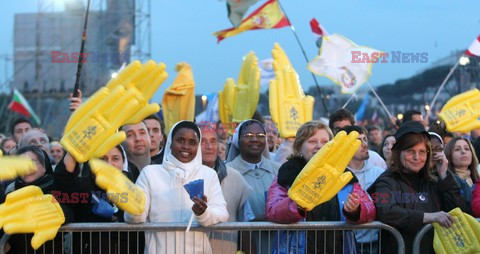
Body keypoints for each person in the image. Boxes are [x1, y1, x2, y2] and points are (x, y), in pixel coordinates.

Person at [266, 121, 376, 253]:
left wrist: (355, 210)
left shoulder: (345, 176)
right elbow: (273, 211)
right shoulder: (286, 175)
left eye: (325, 142)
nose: (319, 146)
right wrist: (297, 204)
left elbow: (370, 209)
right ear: (299, 147)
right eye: (312, 141)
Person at [124, 121, 228, 253]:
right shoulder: (150, 173)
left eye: (192, 142)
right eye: (180, 140)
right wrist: (134, 209)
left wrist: (204, 213)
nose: (186, 146)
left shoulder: (208, 175)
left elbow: (222, 213)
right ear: (170, 143)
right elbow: (135, 217)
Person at [368, 121, 467, 254]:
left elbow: (458, 210)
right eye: (410, 151)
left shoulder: (433, 180)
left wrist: (444, 175)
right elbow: (386, 211)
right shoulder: (387, 180)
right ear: (398, 152)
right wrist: (429, 217)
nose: (416, 157)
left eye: (422, 152)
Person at [55, 145, 142, 253]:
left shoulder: (134, 189)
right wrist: (74, 151)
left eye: (115, 158)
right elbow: (63, 181)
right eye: (102, 159)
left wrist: (119, 218)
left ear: (123, 163)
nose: (109, 164)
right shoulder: (82, 187)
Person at [4, 145, 73, 253]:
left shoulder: (58, 186)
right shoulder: (11, 194)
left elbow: (71, 211)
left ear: (44, 167)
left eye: (33, 162)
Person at [226, 119, 280, 253]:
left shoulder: (279, 170)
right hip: (241, 245)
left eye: (260, 136)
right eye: (248, 136)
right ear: (237, 140)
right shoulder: (226, 173)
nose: (255, 139)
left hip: (277, 243)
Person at [199, 124, 254, 253]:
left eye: (213, 141)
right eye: (203, 142)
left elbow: (246, 223)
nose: (209, 146)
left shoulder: (235, 177)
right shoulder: (184, 178)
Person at [342, 126, 384, 253]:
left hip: (375, 242)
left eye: (365, 139)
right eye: (358, 140)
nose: (364, 144)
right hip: (345, 243)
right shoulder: (337, 176)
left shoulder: (380, 173)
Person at [444, 136, 479, 213]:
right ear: (449, 155)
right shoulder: (446, 180)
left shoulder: (477, 179)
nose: (463, 152)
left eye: (467, 149)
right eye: (457, 149)